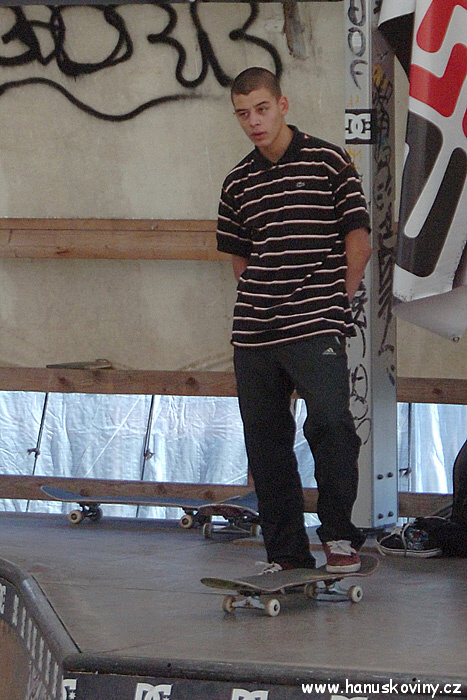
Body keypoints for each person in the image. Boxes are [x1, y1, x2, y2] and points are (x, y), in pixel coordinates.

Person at [216, 67, 372, 574]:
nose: (254, 122)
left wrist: (335, 301)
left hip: (316, 322)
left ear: (282, 105)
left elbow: (359, 241)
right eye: (243, 114)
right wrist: (261, 300)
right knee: (265, 443)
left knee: (332, 425)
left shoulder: (329, 161)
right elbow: (240, 258)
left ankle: (339, 536)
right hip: (255, 332)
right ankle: (285, 553)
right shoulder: (237, 181)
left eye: (261, 109)